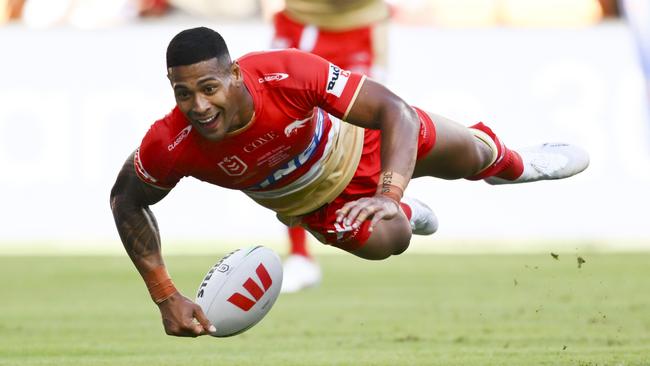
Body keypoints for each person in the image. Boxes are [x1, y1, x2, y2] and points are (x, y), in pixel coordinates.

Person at [110, 27, 589, 337]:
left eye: (208, 88)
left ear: (234, 75)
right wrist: (165, 294)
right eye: (183, 93)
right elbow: (125, 200)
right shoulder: (170, 142)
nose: (198, 106)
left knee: (472, 154)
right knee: (391, 240)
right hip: (320, 205)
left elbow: (392, 110)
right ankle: (403, 215)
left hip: (367, 144)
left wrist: (389, 190)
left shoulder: (286, 72)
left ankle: (516, 165)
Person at [266, 0, 391, 293]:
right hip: (304, 22)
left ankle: (394, 202)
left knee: (368, 127)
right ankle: (299, 254)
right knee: (288, 135)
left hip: (361, 23)